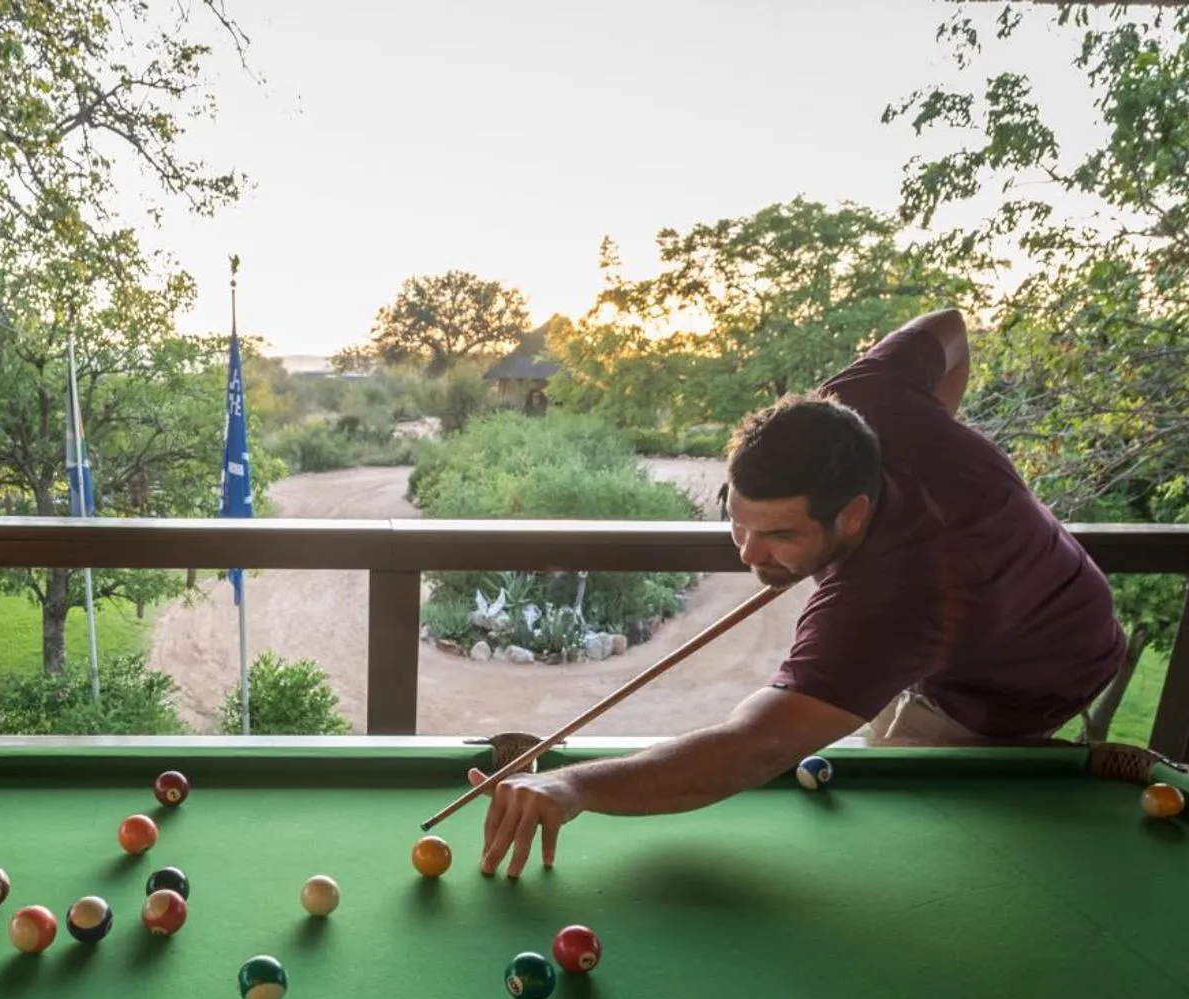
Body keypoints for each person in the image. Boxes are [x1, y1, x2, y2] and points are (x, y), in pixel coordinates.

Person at [474, 309, 1125, 877]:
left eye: (779, 534)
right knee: (868, 717)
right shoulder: (864, 400)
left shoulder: (900, 600)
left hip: (1038, 664)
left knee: (913, 822)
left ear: (852, 514)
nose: (749, 553)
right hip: (981, 583)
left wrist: (573, 784)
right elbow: (948, 327)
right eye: (738, 518)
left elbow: (757, 745)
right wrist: (934, 433)